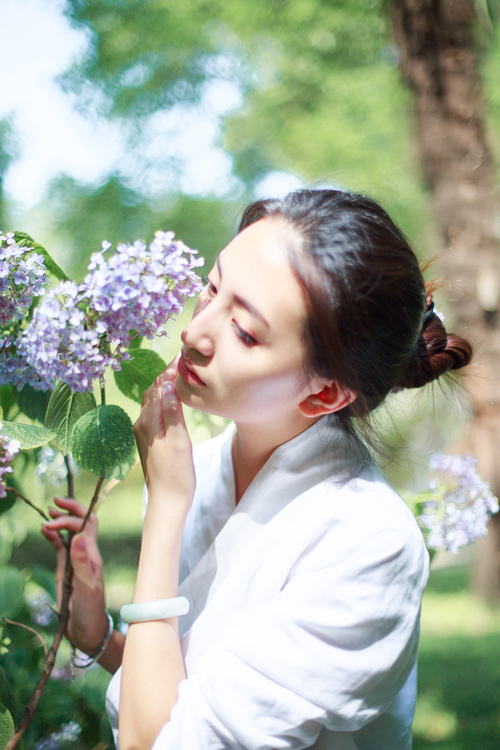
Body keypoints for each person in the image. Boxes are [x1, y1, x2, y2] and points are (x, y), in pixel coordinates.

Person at [42, 189, 472, 750]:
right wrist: (96, 633)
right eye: (213, 288)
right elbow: (197, 694)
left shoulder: (368, 544)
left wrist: (165, 512)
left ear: (325, 394)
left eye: (244, 331)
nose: (195, 332)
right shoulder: (196, 469)